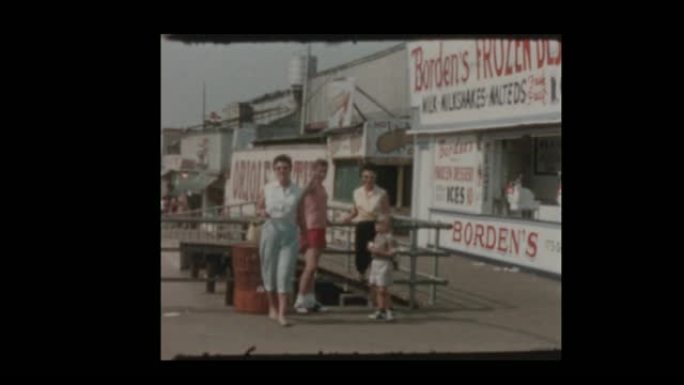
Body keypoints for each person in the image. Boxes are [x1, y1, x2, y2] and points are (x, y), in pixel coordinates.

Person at [256, 154, 303, 327]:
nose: (282, 171)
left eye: (285, 168)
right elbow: (259, 207)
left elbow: (302, 215)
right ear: (274, 170)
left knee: (284, 273)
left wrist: (304, 234)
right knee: (269, 270)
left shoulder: (298, 190)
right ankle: (272, 307)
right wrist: (262, 213)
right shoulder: (268, 188)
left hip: (290, 234)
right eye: (278, 168)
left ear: (291, 169)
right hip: (271, 231)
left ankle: (282, 314)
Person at [342, 164, 390, 282]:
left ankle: (373, 275)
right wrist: (348, 217)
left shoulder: (382, 193)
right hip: (362, 224)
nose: (368, 180)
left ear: (375, 178)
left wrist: (386, 230)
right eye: (366, 177)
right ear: (362, 178)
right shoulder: (356, 192)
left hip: (376, 225)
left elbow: (386, 212)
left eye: (371, 177)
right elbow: (355, 210)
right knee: (360, 250)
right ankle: (361, 272)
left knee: (374, 250)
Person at [294, 159, 330, 314]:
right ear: (313, 170)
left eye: (325, 171)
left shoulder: (321, 187)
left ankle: (310, 299)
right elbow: (299, 199)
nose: (322, 174)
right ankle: (300, 299)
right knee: (310, 266)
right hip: (311, 227)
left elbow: (320, 206)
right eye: (320, 170)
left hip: (320, 227)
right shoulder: (312, 184)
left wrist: (327, 219)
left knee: (314, 268)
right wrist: (300, 220)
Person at [367, 215, 398, 321]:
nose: (377, 226)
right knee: (376, 287)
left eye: (380, 223)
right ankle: (384, 309)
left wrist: (378, 252)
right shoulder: (377, 236)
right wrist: (371, 248)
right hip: (375, 262)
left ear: (387, 226)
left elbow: (392, 253)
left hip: (384, 264)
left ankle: (384, 310)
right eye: (376, 223)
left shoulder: (389, 237)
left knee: (382, 289)